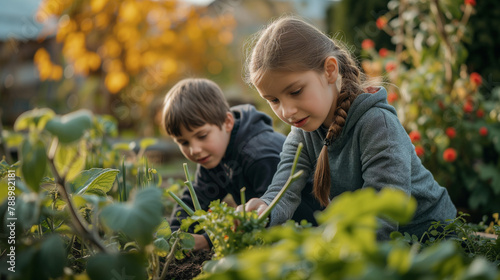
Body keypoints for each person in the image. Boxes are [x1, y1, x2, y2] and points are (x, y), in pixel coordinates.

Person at [240, 16, 457, 240]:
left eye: (295, 92)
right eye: (274, 100)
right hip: (382, 243)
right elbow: (283, 192)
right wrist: (264, 209)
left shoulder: (377, 124)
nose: (286, 111)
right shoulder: (302, 134)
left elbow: (384, 210)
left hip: (433, 237)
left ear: (330, 70)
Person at [161, 78, 323, 250]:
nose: (194, 149)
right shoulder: (212, 155)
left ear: (228, 122)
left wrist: (207, 241)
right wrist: (174, 235)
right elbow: (196, 198)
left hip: (311, 229)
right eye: (184, 142)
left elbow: (268, 214)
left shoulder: (259, 155)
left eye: (202, 136)